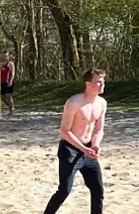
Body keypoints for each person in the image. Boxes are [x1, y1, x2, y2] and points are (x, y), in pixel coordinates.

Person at [43, 69, 108, 214]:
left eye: (103, 81)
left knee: (98, 190)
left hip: (89, 151)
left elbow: (99, 129)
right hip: (70, 150)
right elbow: (64, 131)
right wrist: (83, 149)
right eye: (98, 81)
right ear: (88, 84)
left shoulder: (102, 103)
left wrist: (96, 145)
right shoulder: (74, 102)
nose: (102, 84)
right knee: (64, 190)